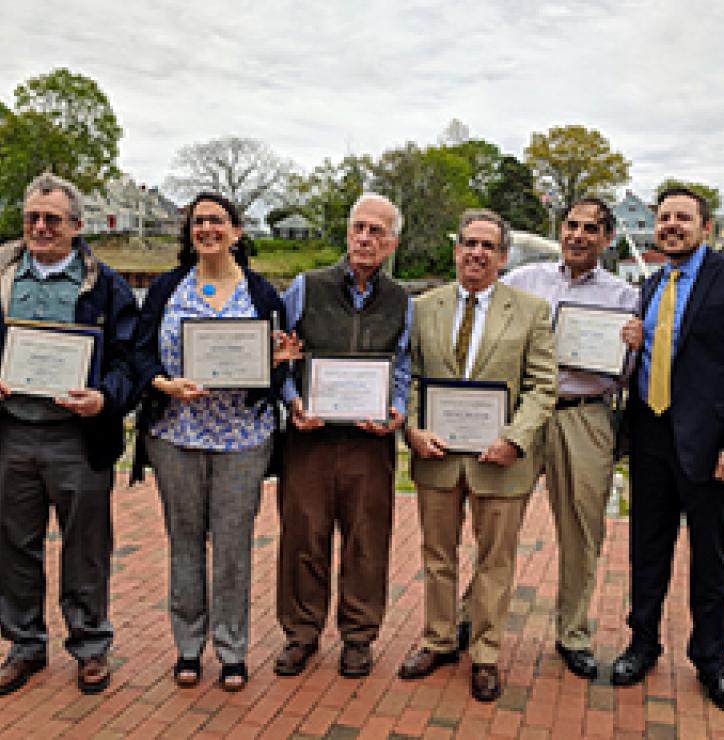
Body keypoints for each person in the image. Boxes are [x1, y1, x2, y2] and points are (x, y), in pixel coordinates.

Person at [455, 198, 641, 679]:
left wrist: (634, 346)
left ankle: (573, 633)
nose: (578, 235)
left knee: (582, 530)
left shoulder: (624, 297)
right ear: (561, 230)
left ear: (606, 238)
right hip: (520, 414)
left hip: (584, 415)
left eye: (590, 229)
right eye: (572, 226)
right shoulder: (523, 280)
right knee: (499, 523)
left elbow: (628, 374)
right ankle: (470, 616)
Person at [132, 192, 293, 692]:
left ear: (237, 232)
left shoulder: (263, 294)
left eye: (217, 220)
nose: (207, 229)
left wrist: (279, 361)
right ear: (190, 233)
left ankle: (231, 649)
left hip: (242, 438)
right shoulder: (165, 289)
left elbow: (270, 373)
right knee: (184, 543)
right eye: (198, 221)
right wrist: (164, 383)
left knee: (232, 548)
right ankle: (187, 646)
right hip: (175, 435)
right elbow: (139, 353)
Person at [398, 208, 556, 702]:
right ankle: (439, 638)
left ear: (503, 257)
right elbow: (410, 378)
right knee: (437, 556)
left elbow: (542, 386)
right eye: (469, 243)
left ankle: (486, 652)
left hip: (501, 458)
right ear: (456, 249)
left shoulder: (530, 310)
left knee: (495, 561)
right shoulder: (423, 307)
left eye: (488, 246)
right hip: (437, 453)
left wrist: (515, 438)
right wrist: (412, 429)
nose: (477, 253)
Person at [0, 173, 138, 696]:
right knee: (13, 543)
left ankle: (89, 644)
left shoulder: (106, 285)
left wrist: (106, 398)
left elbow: (130, 361)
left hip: (76, 437)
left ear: (77, 227)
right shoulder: (4, 273)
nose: (40, 227)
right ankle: (25, 643)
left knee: (86, 546)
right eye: (32, 217)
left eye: (52, 219)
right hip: (12, 432)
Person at [611, 187, 724, 714]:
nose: (670, 225)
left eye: (682, 218)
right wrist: (633, 343)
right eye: (663, 218)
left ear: (705, 227)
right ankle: (642, 643)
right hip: (650, 437)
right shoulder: (650, 284)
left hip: (711, 448)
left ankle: (713, 660)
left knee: (712, 559)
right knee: (647, 550)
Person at [274, 193, 412, 679]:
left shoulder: (401, 300)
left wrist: (397, 409)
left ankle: (358, 637)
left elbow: (403, 365)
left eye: (377, 231)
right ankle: (300, 633)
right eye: (359, 228)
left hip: (370, 441)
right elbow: (281, 354)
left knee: (366, 540)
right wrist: (292, 400)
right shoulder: (305, 287)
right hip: (309, 437)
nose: (366, 238)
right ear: (347, 232)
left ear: (392, 242)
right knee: (303, 537)